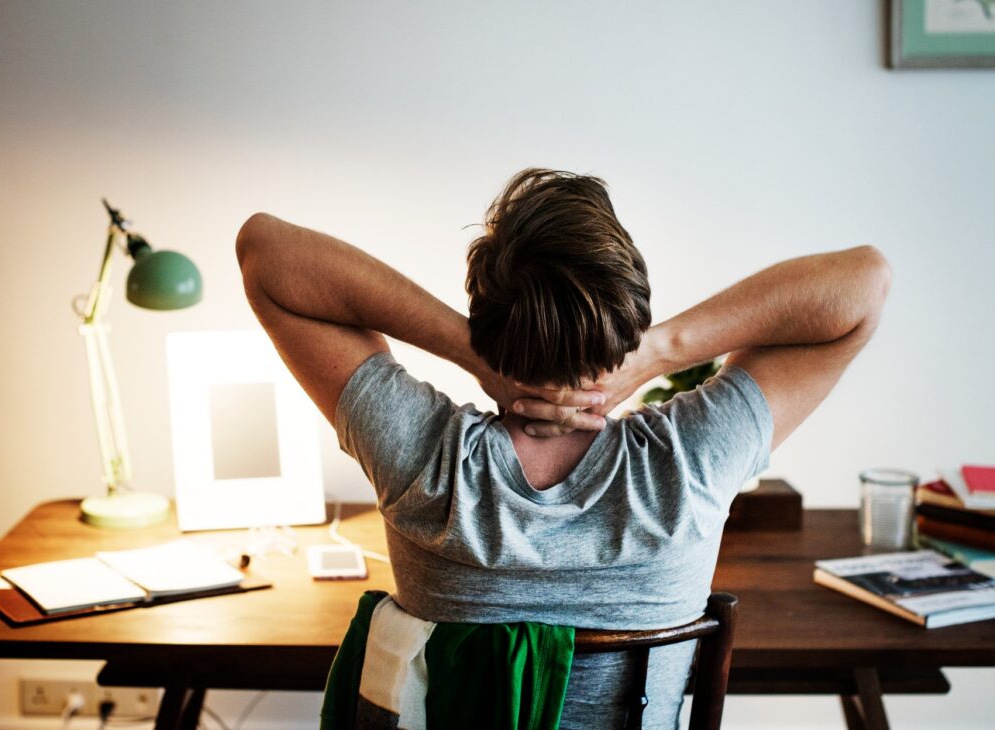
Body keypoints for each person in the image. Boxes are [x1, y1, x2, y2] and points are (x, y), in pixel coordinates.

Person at [236, 168, 891, 728]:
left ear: (486, 318)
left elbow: (265, 251)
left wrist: (472, 351)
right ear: (628, 318)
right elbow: (864, 283)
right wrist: (655, 352)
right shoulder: (692, 461)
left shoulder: (420, 456)